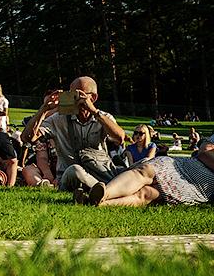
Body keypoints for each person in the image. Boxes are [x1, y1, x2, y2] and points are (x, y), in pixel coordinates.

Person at [21, 76, 126, 194]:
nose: (73, 99)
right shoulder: (58, 119)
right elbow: (27, 138)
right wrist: (44, 109)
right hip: (70, 176)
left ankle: (101, 190)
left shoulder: (103, 117)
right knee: (75, 170)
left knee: (144, 165)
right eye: (70, 95)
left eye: (78, 95)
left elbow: (120, 138)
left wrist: (94, 112)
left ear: (93, 97)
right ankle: (105, 192)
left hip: (101, 173)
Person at [83, 133, 214, 207]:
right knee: (145, 170)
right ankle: (104, 194)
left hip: (201, 184)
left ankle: (97, 203)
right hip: (186, 164)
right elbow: (204, 152)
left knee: (147, 194)